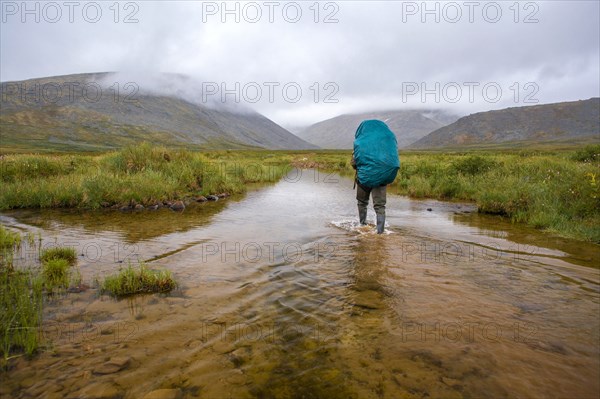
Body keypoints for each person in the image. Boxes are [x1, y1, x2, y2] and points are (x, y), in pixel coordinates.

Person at [351, 120, 400, 234]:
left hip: (364, 179)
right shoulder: (387, 144)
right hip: (381, 178)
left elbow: (354, 163)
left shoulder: (360, 143)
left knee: (362, 202)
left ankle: (362, 225)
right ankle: (380, 232)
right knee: (380, 206)